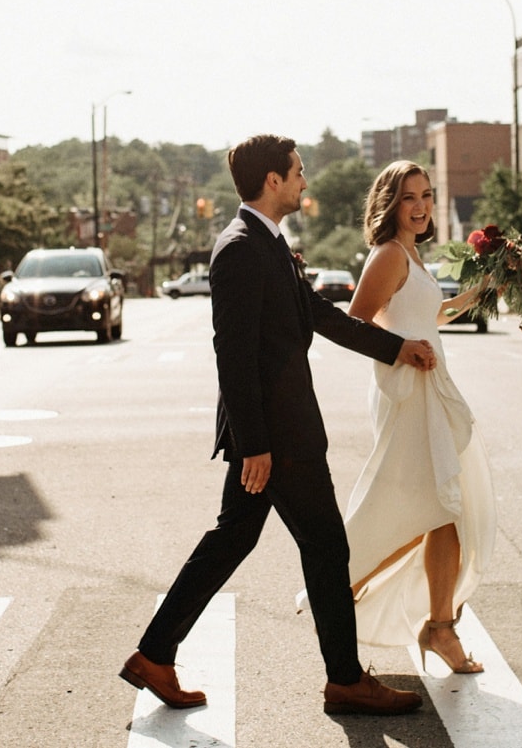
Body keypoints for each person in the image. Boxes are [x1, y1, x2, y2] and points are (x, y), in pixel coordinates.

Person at [121, 134, 437, 717]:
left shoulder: (267, 242)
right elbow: (233, 354)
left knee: (233, 538)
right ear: (272, 181)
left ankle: (154, 654)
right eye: (297, 172)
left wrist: (397, 348)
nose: (304, 180)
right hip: (276, 438)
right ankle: (344, 679)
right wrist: (256, 446)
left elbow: (316, 315)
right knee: (325, 545)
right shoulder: (241, 248)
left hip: (274, 433)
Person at [341, 159, 494, 675]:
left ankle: (439, 627)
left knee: (443, 509)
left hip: (430, 387)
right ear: (391, 203)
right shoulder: (387, 254)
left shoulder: (413, 255)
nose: (422, 205)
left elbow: (431, 315)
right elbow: (356, 324)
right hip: (406, 393)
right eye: (410, 197)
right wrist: (402, 349)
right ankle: (339, 591)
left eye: (427, 195)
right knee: (421, 510)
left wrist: (482, 291)